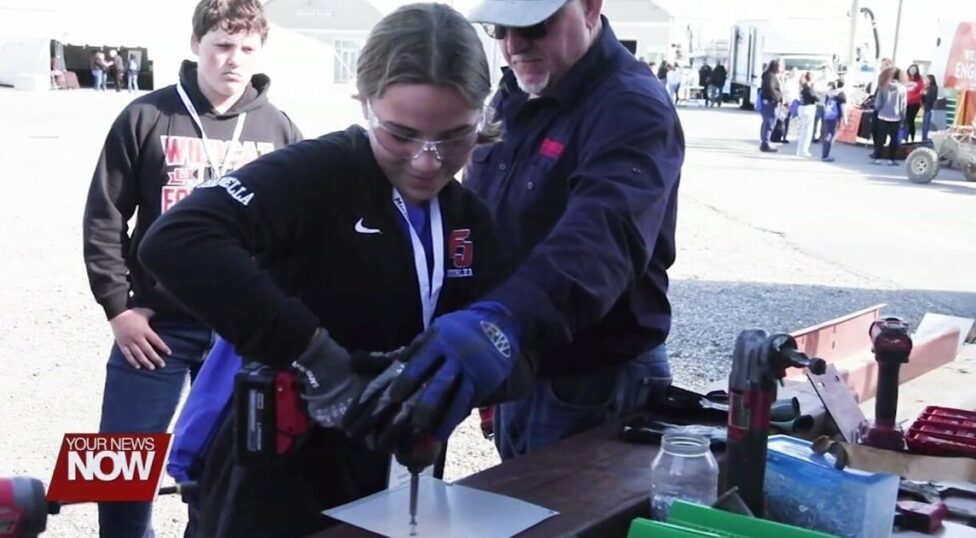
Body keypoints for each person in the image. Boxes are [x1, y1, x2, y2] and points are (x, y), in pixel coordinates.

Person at [138, 4, 511, 536]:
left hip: (399, 480)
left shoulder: (467, 217)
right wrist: (315, 356)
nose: (427, 160)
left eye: (454, 137)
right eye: (401, 135)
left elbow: (521, 344)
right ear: (365, 103)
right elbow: (178, 239)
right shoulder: (321, 173)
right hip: (275, 482)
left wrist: (481, 365)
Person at [354, 0, 684, 461]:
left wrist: (502, 321)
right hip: (519, 359)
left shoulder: (629, 107)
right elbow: (478, 218)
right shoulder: (513, 94)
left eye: (534, 25)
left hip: (594, 380)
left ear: (590, 7)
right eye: (501, 29)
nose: (514, 45)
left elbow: (601, 239)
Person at [82, 1, 302, 536]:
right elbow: (104, 218)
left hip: (239, 334)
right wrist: (118, 310)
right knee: (116, 468)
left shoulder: (280, 129)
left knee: (223, 472)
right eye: (222, 46)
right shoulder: (146, 116)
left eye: (246, 49)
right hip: (154, 326)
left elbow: (299, 237)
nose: (233, 61)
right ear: (196, 45)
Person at [872, 66, 907, 165]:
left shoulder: (883, 86)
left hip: (882, 115)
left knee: (880, 138)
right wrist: (903, 117)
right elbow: (903, 105)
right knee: (894, 139)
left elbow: (878, 103)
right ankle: (891, 159)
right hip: (895, 117)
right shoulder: (902, 89)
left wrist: (877, 109)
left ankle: (877, 158)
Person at [760, 59, 784, 152]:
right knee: (769, 123)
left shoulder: (769, 75)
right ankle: (765, 144)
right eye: (780, 66)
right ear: (775, 66)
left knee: (767, 123)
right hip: (770, 103)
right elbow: (770, 88)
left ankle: (764, 142)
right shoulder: (771, 76)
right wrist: (777, 98)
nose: (781, 69)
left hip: (768, 102)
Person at [820, 80, 846, 162]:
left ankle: (825, 152)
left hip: (828, 116)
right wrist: (845, 119)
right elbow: (843, 107)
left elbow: (825, 105)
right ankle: (826, 154)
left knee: (828, 134)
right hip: (835, 117)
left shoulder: (829, 93)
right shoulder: (841, 94)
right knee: (831, 135)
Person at [795, 71, 819, 158]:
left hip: (802, 108)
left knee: (803, 131)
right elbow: (816, 98)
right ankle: (804, 150)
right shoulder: (808, 88)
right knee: (807, 132)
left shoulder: (802, 87)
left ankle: (800, 150)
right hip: (808, 108)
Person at [905, 63, 925, 142]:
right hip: (905, 103)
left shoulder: (920, 80)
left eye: (914, 69)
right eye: (911, 69)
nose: (912, 71)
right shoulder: (906, 78)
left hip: (914, 103)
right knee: (905, 120)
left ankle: (912, 137)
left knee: (910, 120)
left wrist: (911, 98)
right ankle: (905, 137)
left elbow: (921, 92)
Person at [922, 74, 938, 142]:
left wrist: (925, 93)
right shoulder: (926, 87)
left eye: (927, 79)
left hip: (930, 108)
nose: (925, 81)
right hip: (926, 107)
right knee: (925, 123)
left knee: (927, 123)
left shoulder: (934, 88)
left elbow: (931, 99)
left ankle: (925, 137)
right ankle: (924, 137)